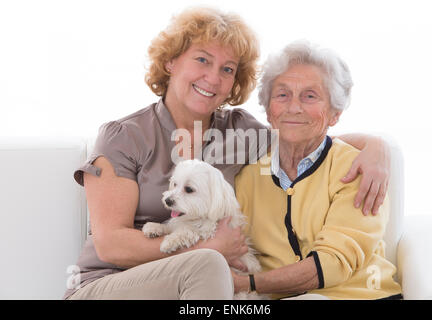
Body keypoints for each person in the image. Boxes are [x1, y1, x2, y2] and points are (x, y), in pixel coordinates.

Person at [64, 7, 393, 300]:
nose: (213, 77)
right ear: (171, 61)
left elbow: (304, 134)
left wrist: (376, 148)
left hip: (198, 283)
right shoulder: (124, 136)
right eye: (203, 59)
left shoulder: (240, 131)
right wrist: (205, 248)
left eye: (227, 69)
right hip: (110, 284)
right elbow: (111, 245)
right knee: (209, 265)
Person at [234, 40, 402, 300]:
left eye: (310, 96)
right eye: (282, 95)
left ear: (334, 114)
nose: (293, 107)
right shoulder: (247, 177)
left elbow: (330, 265)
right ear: (268, 111)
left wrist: (245, 284)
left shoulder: (358, 170)